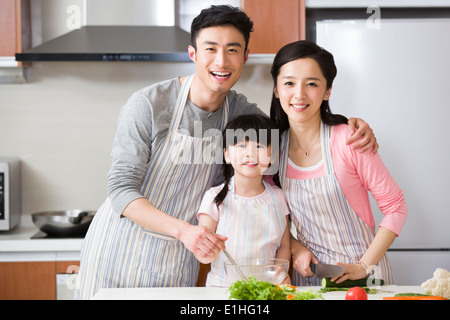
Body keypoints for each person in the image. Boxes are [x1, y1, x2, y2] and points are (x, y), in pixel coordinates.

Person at [75, 5, 376, 299]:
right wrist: (184, 231)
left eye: (233, 49)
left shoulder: (242, 114)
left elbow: (295, 140)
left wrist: (343, 126)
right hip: (118, 251)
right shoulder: (150, 104)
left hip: (182, 258)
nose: (222, 61)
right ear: (192, 54)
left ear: (245, 56)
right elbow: (120, 189)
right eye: (210, 49)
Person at [270, 40, 408, 286]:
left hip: (365, 277)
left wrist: (363, 266)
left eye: (311, 84)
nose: (299, 94)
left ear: (327, 91)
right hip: (310, 278)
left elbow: (395, 207)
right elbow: (268, 211)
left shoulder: (350, 140)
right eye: (289, 83)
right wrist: (295, 246)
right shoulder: (272, 150)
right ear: (277, 89)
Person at [195, 114, 291, 287]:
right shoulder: (214, 198)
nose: (250, 153)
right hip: (222, 288)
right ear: (227, 155)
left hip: (266, 290)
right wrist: (205, 250)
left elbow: (284, 245)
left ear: (273, 156)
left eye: (260, 146)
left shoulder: (278, 197)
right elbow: (201, 247)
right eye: (241, 146)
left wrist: (280, 269)